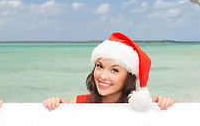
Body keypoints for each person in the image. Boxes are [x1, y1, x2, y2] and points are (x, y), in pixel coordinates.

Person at [43, 32, 175, 111]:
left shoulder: (140, 109)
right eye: (100, 66)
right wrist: (54, 107)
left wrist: (163, 107)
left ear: (129, 77)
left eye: (115, 70)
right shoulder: (77, 103)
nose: (103, 76)